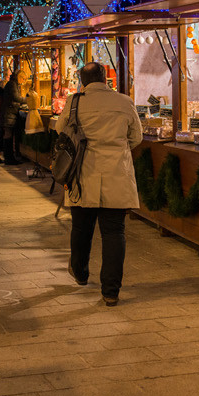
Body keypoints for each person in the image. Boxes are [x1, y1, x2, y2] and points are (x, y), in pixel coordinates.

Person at [59, 62, 143, 307]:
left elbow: (59, 129)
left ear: (82, 80)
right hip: (116, 174)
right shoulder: (124, 101)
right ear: (105, 78)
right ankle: (111, 291)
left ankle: (81, 273)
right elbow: (136, 137)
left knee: (81, 228)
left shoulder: (75, 102)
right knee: (114, 232)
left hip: (82, 175)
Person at [3, 72, 26, 165]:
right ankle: (9, 158)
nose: (23, 81)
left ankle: (9, 157)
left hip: (9, 113)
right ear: (19, 77)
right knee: (8, 135)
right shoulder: (12, 84)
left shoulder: (12, 84)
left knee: (9, 135)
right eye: (23, 78)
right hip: (9, 114)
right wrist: (29, 99)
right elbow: (16, 97)